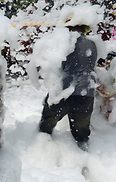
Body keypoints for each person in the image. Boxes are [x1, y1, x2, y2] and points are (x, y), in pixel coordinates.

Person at [38, 23, 97, 151]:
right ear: (84, 29)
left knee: (46, 125)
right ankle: (85, 157)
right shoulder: (92, 44)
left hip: (61, 92)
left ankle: (41, 149)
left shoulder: (61, 44)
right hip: (85, 93)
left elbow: (44, 67)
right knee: (82, 133)